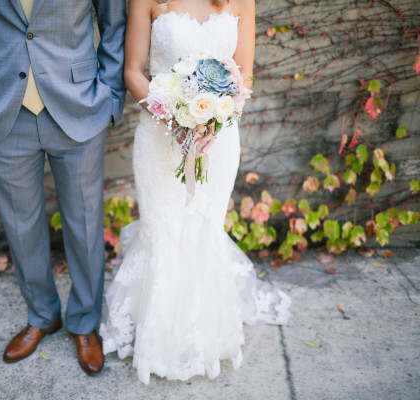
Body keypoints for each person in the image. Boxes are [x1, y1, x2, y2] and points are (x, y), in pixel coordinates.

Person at [99, 0, 291, 384]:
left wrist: (213, 120)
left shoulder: (241, 1)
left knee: (204, 228)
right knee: (164, 230)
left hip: (218, 141)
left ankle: (203, 334)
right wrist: (176, 117)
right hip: (159, 136)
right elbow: (133, 71)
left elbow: (245, 76)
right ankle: (159, 339)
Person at [0, 0, 126, 375]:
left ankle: (85, 322)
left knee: (85, 223)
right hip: (1, 108)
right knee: (20, 226)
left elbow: (115, 24)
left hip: (78, 104)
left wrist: (109, 97)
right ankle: (42, 314)